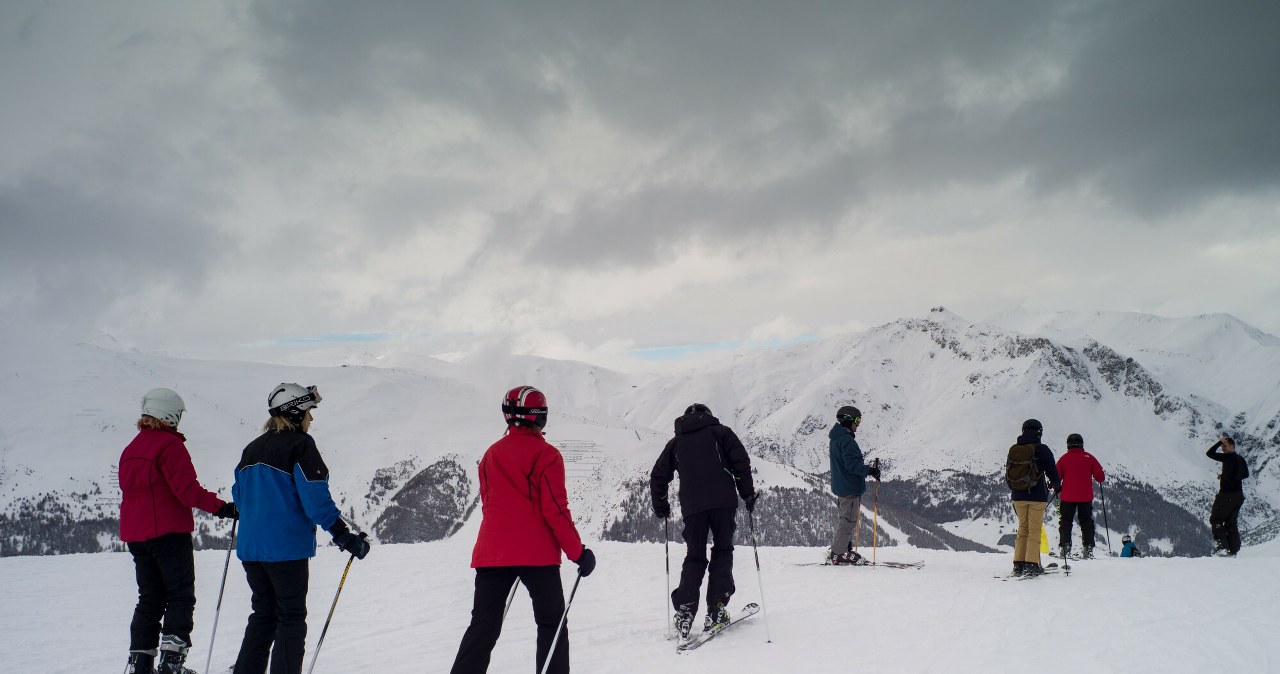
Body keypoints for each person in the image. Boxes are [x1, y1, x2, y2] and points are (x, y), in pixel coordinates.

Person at [451, 386, 595, 674]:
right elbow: (555, 510)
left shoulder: (491, 454)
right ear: (539, 416)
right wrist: (578, 553)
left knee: (483, 626)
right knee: (551, 622)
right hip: (538, 556)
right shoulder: (547, 455)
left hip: (492, 554)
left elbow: (490, 504)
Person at [232, 383, 370, 674]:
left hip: (251, 551)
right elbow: (315, 498)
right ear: (294, 413)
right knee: (291, 618)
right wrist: (344, 536)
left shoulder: (251, 450)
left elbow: (239, 497)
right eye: (309, 411)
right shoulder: (300, 446)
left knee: (263, 616)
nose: (311, 419)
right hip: (285, 551)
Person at [119, 387, 238, 674]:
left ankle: (140, 664)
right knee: (180, 596)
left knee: (149, 598)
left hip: (136, 535)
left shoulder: (131, 449)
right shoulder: (169, 446)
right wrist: (224, 508)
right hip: (168, 533)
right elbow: (187, 491)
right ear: (169, 414)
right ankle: (172, 664)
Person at [651, 403, 756, 640]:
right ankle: (716, 609)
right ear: (708, 416)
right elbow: (741, 463)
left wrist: (661, 505)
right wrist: (747, 494)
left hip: (694, 508)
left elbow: (658, 476)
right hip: (723, 504)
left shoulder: (676, 443)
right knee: (722, 550)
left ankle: (685, 610)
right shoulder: (722, 433)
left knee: (695, 556)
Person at [1007, 419, 1061, 577]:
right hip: (1037, 496)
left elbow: (1009, 474)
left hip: (1018, 496)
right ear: (1039, 432)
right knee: (1034, 530)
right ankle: (1032, 564)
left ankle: (1018, 564)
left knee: (1022, 528)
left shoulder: (1014, 449)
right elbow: (1053, 473)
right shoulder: (1042, 449)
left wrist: (1017, 490)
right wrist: (1056, 486)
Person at [826, 405, 880, 565]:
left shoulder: (837, 438)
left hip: (842, 485)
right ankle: (838, 553)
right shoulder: (846, 441)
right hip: (849, 487)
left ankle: (843, 548)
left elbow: (846, 463)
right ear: (848, 420)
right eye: (857, 420)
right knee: (848, 520)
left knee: (846, 518)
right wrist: (870, 470)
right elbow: (852, 466)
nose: (858, 425)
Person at [1055, 433, 1106, 559]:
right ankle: (1088, 548)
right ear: (1081, 444)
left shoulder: (1064, 459)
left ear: (1068, 445)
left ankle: (1065, 548)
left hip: (1067, 497)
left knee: (1066, 522)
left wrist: (1057, 488)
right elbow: (1100, 477)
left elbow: (1056, 477)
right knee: (1086, 522)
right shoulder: (1089, 458)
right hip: (1085, 497)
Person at [1206, 434, 1249, 556]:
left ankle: (1223, 548)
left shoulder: (1227, 457)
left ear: (1232, 446)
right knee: (1231, 522)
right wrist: (1226, 477)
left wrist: (1219, 442)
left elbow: (1209, 453)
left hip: (1226, 495)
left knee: (1216, 519)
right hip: (1238, 495)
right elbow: (1245, 475)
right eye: (1222, 446)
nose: (1223, 449)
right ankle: (1233, 550)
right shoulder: (1240, 459)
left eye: (1225, 446)